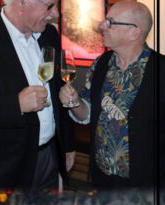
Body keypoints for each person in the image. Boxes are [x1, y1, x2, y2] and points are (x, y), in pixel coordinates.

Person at [0, 0, 75, 192]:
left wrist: (67, 144)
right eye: (49, 6)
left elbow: (59, 91)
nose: (56, 14)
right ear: (21, 3)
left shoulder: (49, 34)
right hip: (5, 168)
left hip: (49, 156)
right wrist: (16, 104)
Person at [59, 0, 165, 189]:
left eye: (110, 22)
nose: (102, 26)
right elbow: (87, 113)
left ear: (134, 32)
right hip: (102, 179)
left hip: (146, 185)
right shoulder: (101, 64)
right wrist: (75, 103)